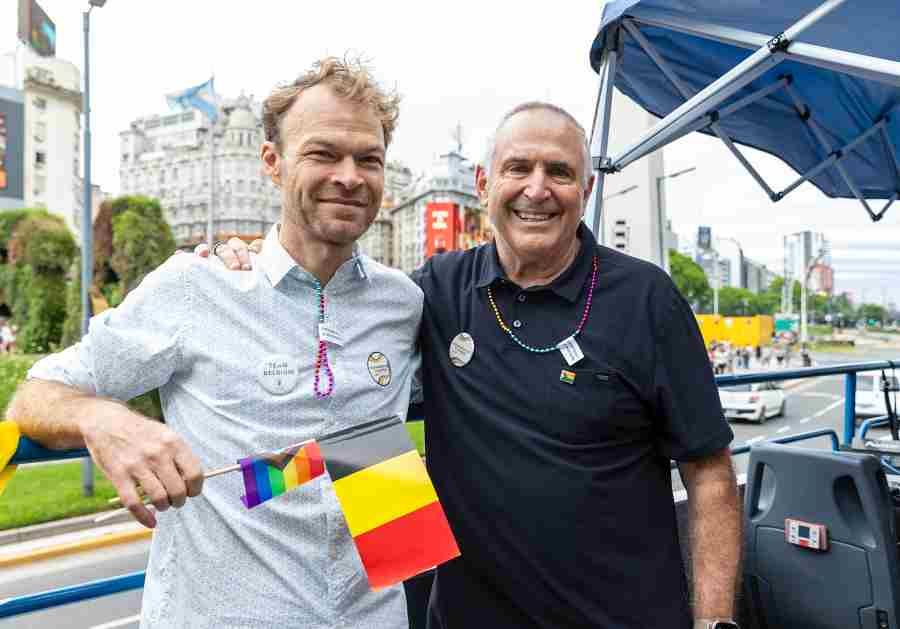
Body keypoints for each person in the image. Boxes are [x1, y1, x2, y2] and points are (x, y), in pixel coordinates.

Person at [211, 101, 742, 629]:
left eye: (559, 172)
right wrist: (250, 261)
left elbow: (710, 472)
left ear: (585, 191)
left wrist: (715, 622)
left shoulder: (647, 298)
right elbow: (347, 395)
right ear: (485, 184)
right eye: (518, 168)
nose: (537, 189)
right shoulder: (436, 290)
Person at [7, 58, 422, 628]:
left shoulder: (402, 304)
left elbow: (379, 468)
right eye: (323, 154)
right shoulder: (197, 286)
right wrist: (106, 422)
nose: (349, 176)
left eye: (368, 159)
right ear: (272, 163)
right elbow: (34, 393)